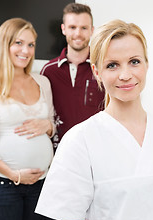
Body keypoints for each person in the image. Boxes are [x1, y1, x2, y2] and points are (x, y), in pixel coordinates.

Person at [35, 19, 153, 220]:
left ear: (146, 64)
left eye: (134, 61)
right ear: (96, 71)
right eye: (112, 65)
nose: (125, 75)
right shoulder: (80, 140)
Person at [0, 18, 55, 220]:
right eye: (19, 43)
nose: (26, 50)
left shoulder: (42, 82)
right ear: (5, 45)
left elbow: (52, 125)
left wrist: (48, 126)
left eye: (31, 45)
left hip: (40, 186)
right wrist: (14, 174)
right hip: (3, 187)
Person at [40, 3, 105, 151]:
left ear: (92, 30)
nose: (78, 34)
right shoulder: (48, 71)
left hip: (96, 150)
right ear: (63, 29)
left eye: (84, 28)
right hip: (58, 152)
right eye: (72, 27)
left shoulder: (102, 68)